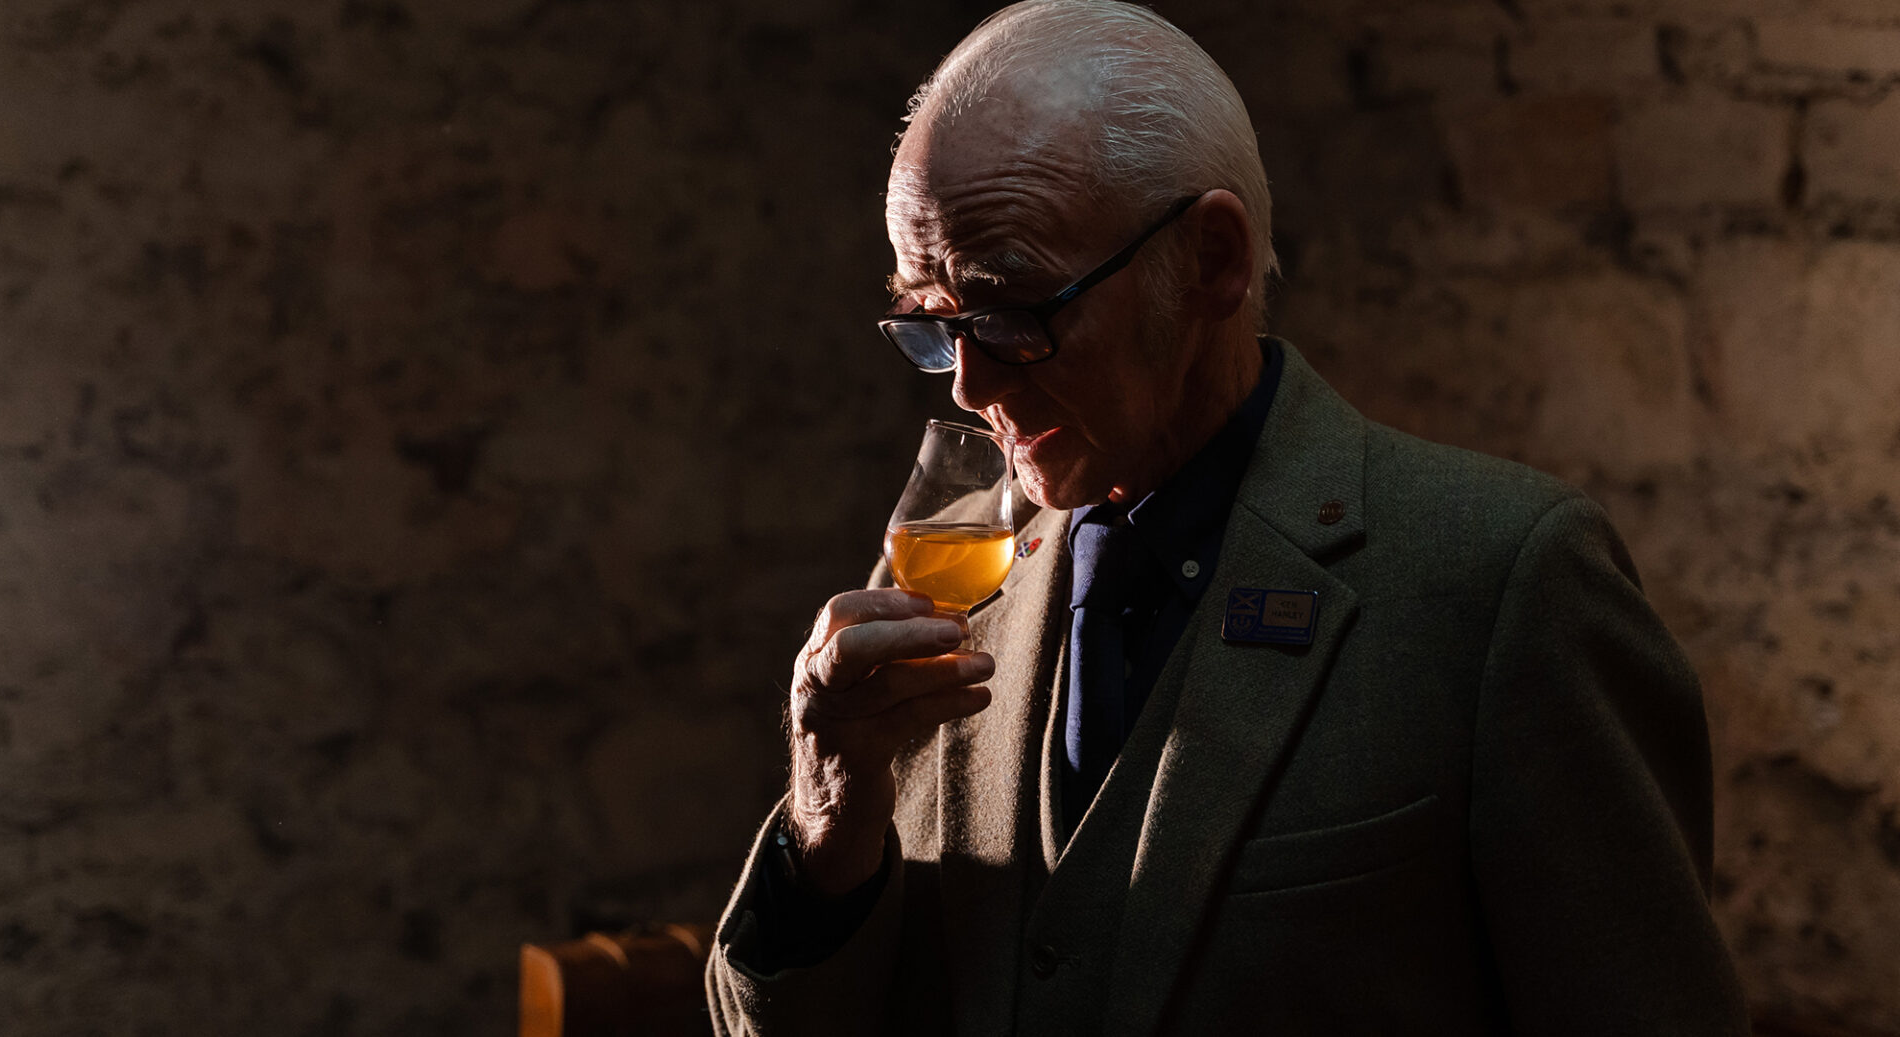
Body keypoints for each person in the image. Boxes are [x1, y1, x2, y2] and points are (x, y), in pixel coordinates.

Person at [705, 2, 1750, 1033]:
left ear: (1212, 259)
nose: (968, 385)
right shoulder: (954, 579)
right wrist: (826, 819)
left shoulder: (1503, 581)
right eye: (929, 321)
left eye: (1015, 309)